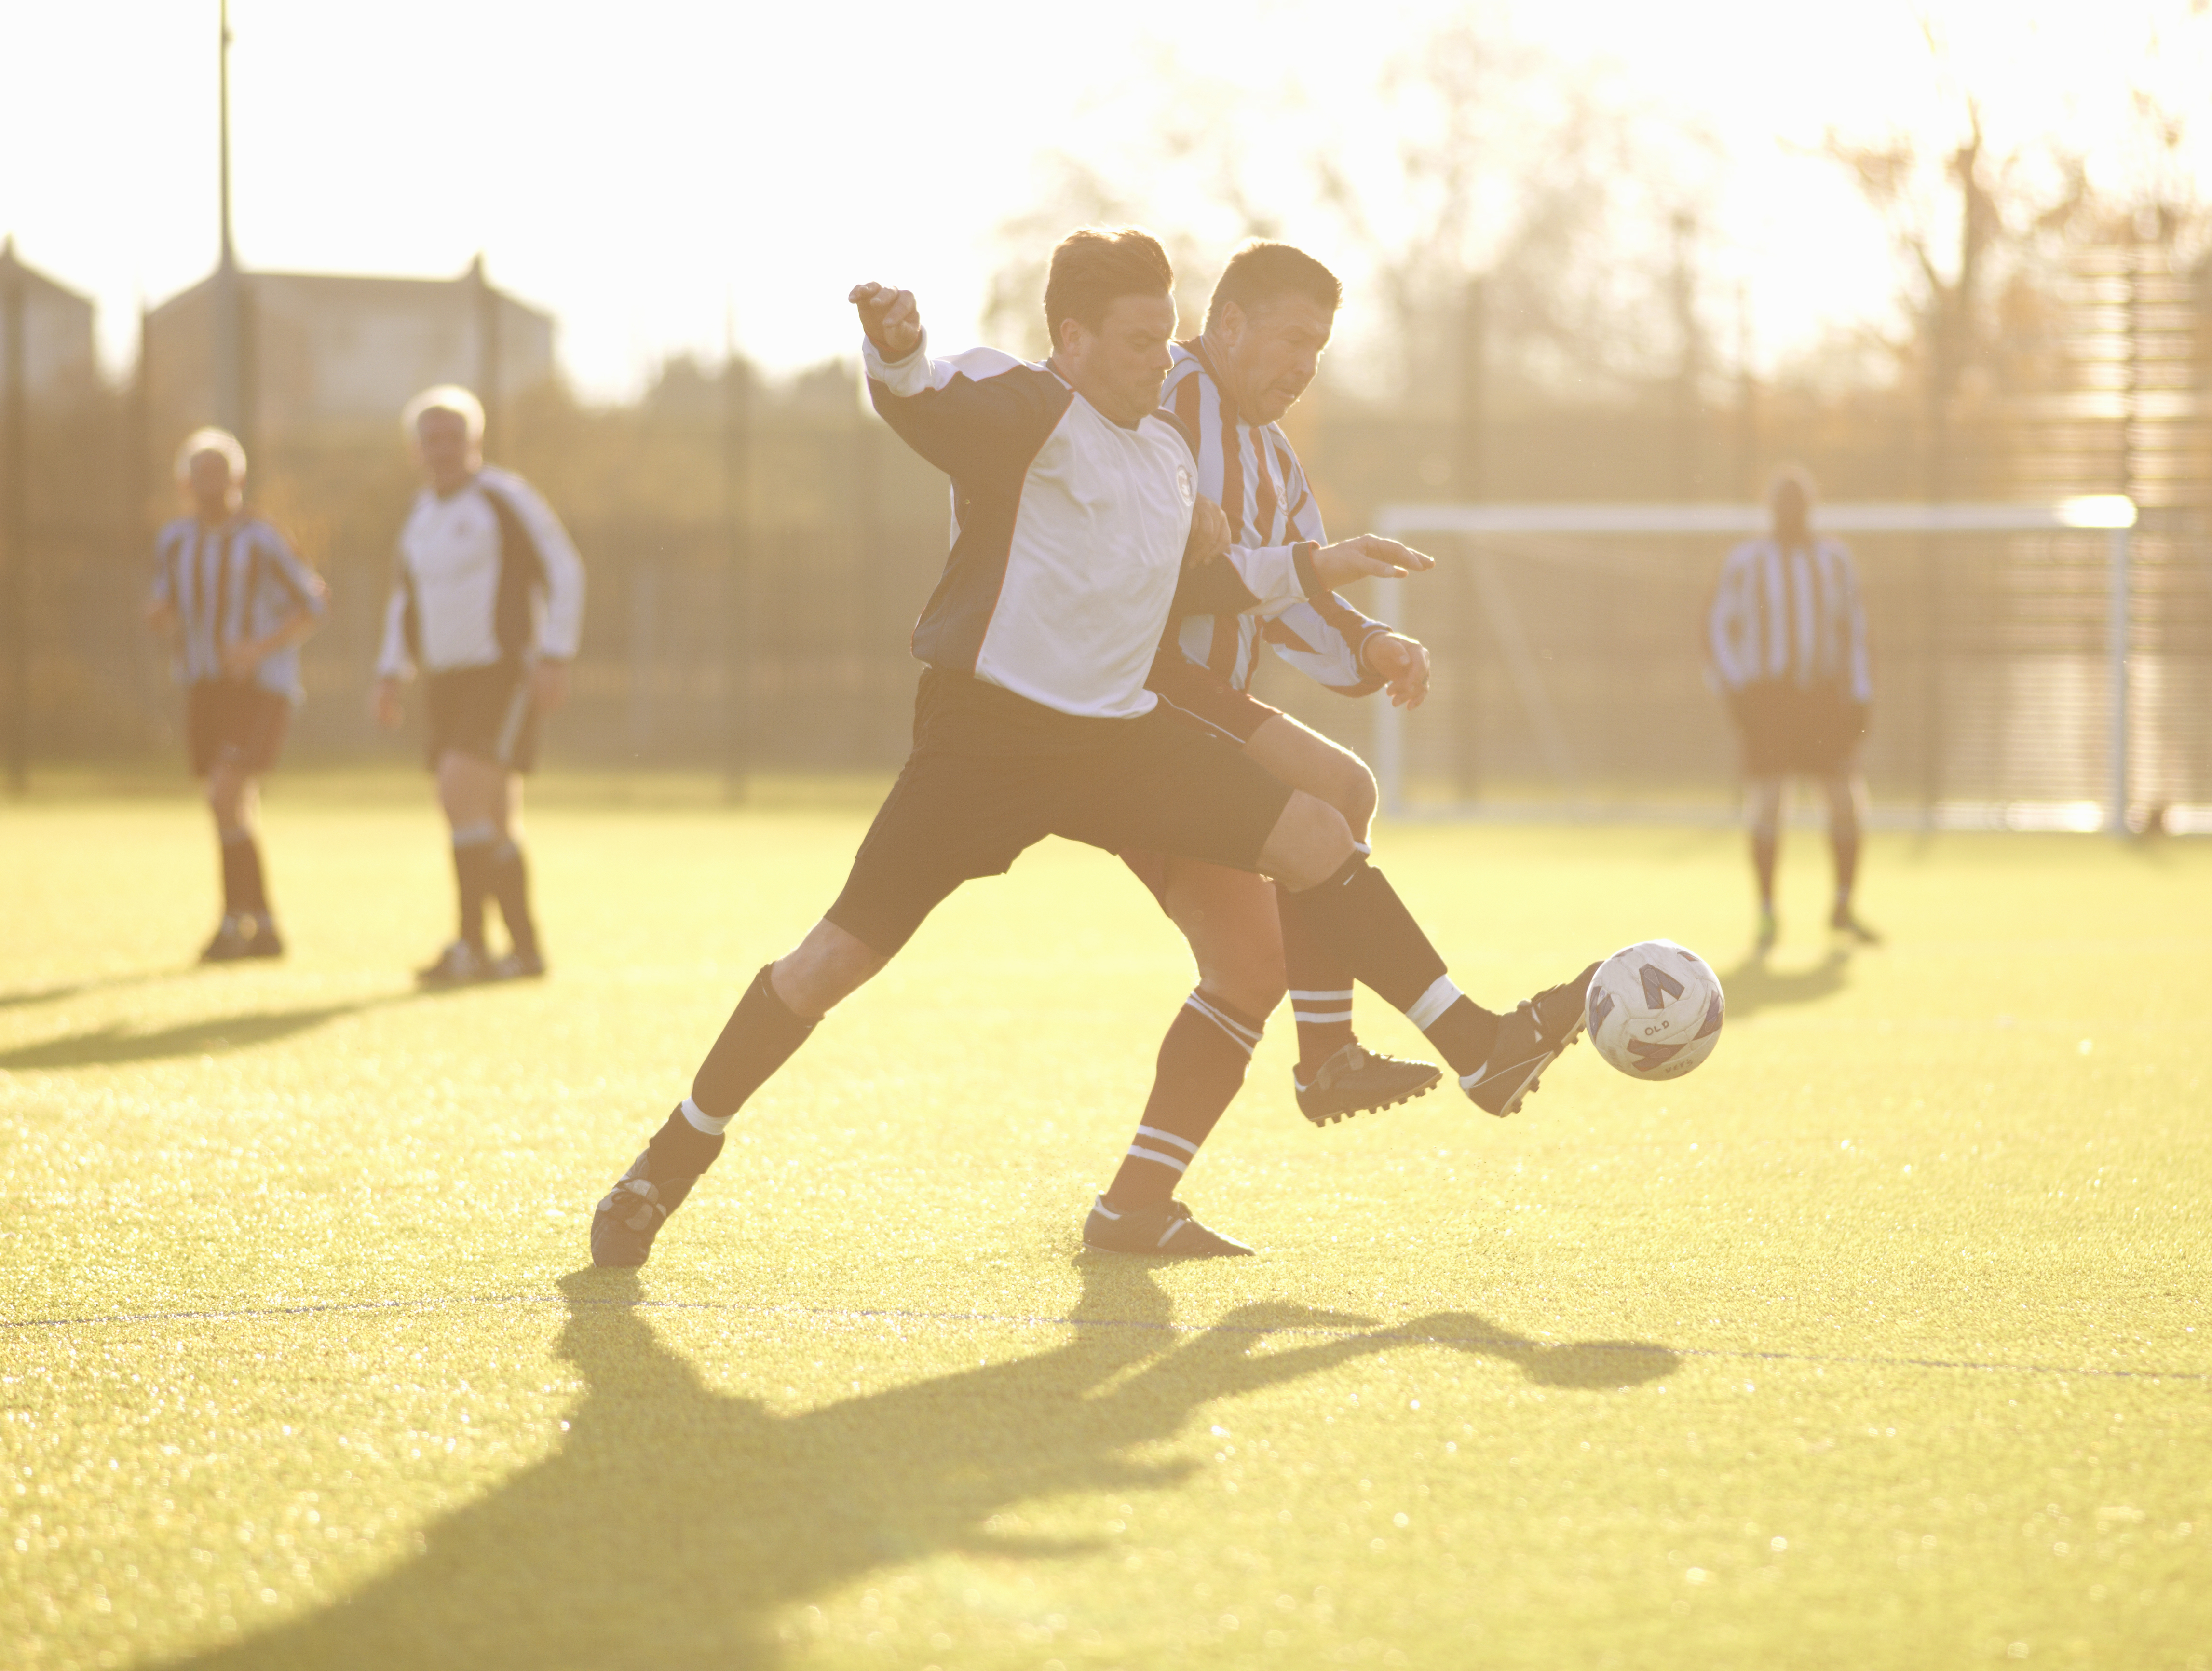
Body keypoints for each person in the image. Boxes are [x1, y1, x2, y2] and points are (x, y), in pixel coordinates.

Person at [589, 228, 1597, 1268]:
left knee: (1318, 828)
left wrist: (1317, 564)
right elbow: (925, 407)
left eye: (1166, 338)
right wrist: (895, 348)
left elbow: (1196, 587)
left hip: (1116, 736)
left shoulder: (1162, 454)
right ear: (1070, 339)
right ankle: (666, 1163)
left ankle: (1477, 1047)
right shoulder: (1027, 408)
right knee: (827, 963)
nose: (1161, 360)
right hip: (986, 743)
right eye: (1136, 341)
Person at [1086, 242, 1447, 1242]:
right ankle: (1334, 1052)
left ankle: (1134, 1205)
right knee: (1340, 789)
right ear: (1230, 324)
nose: (1305, 367)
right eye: (1293, 339)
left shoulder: (1276, 455)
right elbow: (1155, 561)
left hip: (1196, 719)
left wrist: (1371, 641)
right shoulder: (1167, 402)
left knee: (1249, 970)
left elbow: (1296, 587)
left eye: (1320, 349)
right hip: (1142, 699)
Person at [374, 386, 585, 986]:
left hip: (503, 674)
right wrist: (390, 673)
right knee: (490, 816)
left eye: (452, 436)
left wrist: (555, 655)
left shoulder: (504, 497)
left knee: (458, 792)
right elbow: (403, 600)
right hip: (445, 682)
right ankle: (523, 952)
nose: (442, 449)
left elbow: (565, 569)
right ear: (416, 449)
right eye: (430, 439)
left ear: (475, 441)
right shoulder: (419, 517)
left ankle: (471, 946)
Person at [145, 429, 329, 962]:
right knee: (228, 806)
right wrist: (160, 618)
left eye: (218, 472)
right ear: (186, 482)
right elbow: (166, 605)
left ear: (238, 479)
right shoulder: (175, 540)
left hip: (258, 687)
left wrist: (255, 648)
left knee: (227, 794)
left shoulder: (262, 538)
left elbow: (313, 605)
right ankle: (261, 925)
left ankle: (235, 921)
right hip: (203, 684)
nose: (209, 484)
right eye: (199, 473)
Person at [1705, 465, 1877, 953]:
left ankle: (1842, 904)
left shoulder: (1834, 559)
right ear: (1769, 508)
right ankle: (1766, 911)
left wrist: (1860, 693)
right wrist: (1738, 691)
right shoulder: (1746, 561)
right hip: (1771, 698)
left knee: (1844, 799)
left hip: (1822, 697)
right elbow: (1719, 628)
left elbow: (1855, 629)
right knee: (1768, 802)